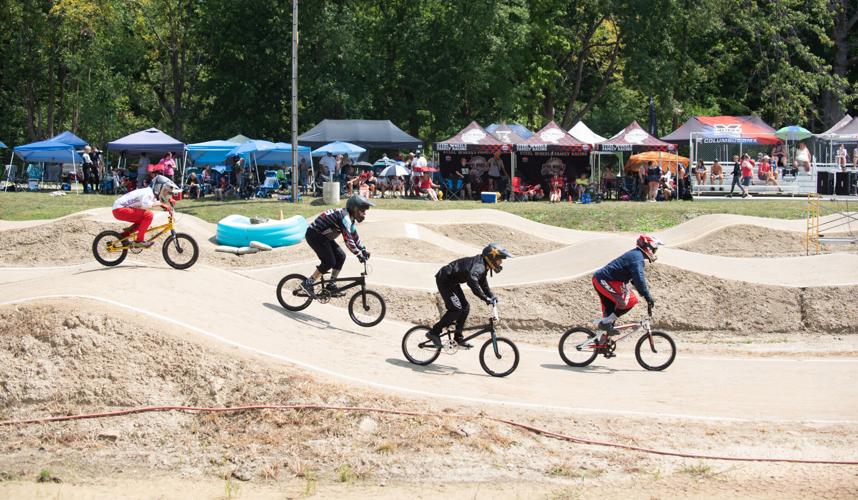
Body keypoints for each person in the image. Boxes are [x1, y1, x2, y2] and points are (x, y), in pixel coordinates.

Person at [425, 243, 512, 348]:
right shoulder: (480, 266)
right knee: (456, 309)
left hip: (452, 282)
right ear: (492, 258)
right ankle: (434, 332)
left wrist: (491, 295)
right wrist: (484, 298)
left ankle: (458, 338)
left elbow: (483, 283)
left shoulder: (483, 265)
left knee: (465, 307)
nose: (501, 262)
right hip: (445, 280)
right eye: (499, 259)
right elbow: (472, 281)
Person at [592, 235, 662, 346]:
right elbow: (639, 280)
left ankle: (602, 343)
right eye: (654, 249)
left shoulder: (636, 256)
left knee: (611, 312)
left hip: (605, 280)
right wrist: (647, 297)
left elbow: (635, 280)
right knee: (630, 300)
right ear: (648, 247)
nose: (654, 251)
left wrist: (644, 294)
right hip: (605, 280)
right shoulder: (637, 258)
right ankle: (604, 323)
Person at [300, 195, 373, 298]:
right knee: (329, 261)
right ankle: (307, 283)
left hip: (324, 237)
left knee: (341, 256)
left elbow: (355, 237)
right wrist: (358, 254)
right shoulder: (344, 218)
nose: (364, 214)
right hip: (314, 235)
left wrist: (363, 249)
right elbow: (348, 240)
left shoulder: (349, 218)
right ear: (355, 209)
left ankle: (331, 284)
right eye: (362, 211)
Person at [111, 175, 180, 249]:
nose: (166, 194)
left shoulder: (150, 193)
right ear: (158, 187)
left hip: (120, 209)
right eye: (165, 191)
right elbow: (147, 205)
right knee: (148, 215)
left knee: (143, 219)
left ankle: (124, 235)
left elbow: (154, 201)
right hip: (119, 209)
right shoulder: (148, 192)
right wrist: (162, 204)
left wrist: (166, 203)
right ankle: (139, 241)